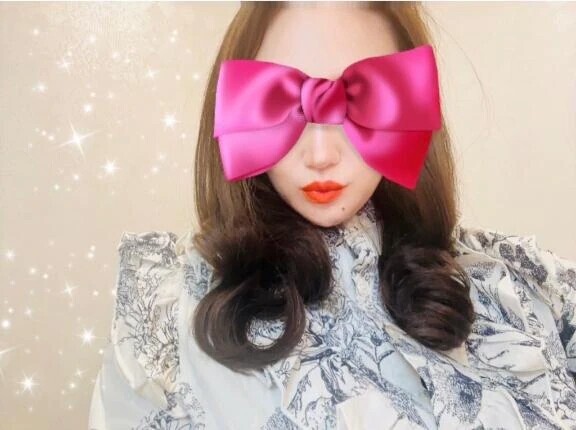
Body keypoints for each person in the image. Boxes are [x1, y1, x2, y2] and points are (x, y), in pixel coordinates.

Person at [88, 2, 576, 429]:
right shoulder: (164, 316)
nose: (321, 154)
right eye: (286, 110)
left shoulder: (525, 289)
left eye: (358, 108)